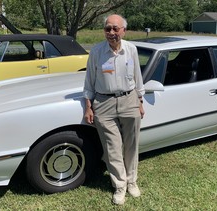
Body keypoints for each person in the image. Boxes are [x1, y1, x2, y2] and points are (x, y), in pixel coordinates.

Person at [83, 14, 145, 205]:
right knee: (112, 148)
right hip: (104, 103)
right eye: (108, 28)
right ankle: (120, 186)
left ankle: (132, 181)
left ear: (123, 31)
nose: (111, 32)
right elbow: (89, 80)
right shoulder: (96, 52)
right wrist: (88, 106)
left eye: (115, 29)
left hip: (129, 100)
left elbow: (137, 76)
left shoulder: (131, 49)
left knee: (132, 144)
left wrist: (140, 101)